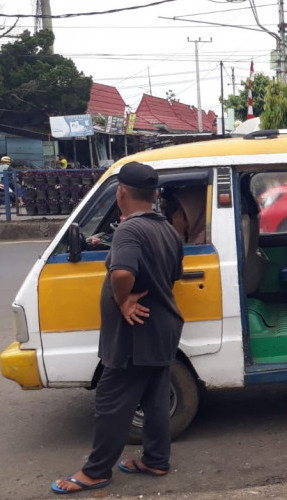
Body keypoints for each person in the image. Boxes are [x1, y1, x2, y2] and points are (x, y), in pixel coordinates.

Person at [51, 162, 184, 495]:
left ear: (121, 192)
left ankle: (95, 472)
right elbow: (173, 275)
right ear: (154, 195)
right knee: (154, 398)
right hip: (163, 326)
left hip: (136, 332)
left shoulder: (129, 229)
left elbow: (122, 273)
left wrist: (123, 301)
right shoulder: (167, 228)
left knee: (112, 401)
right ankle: (156, 460)